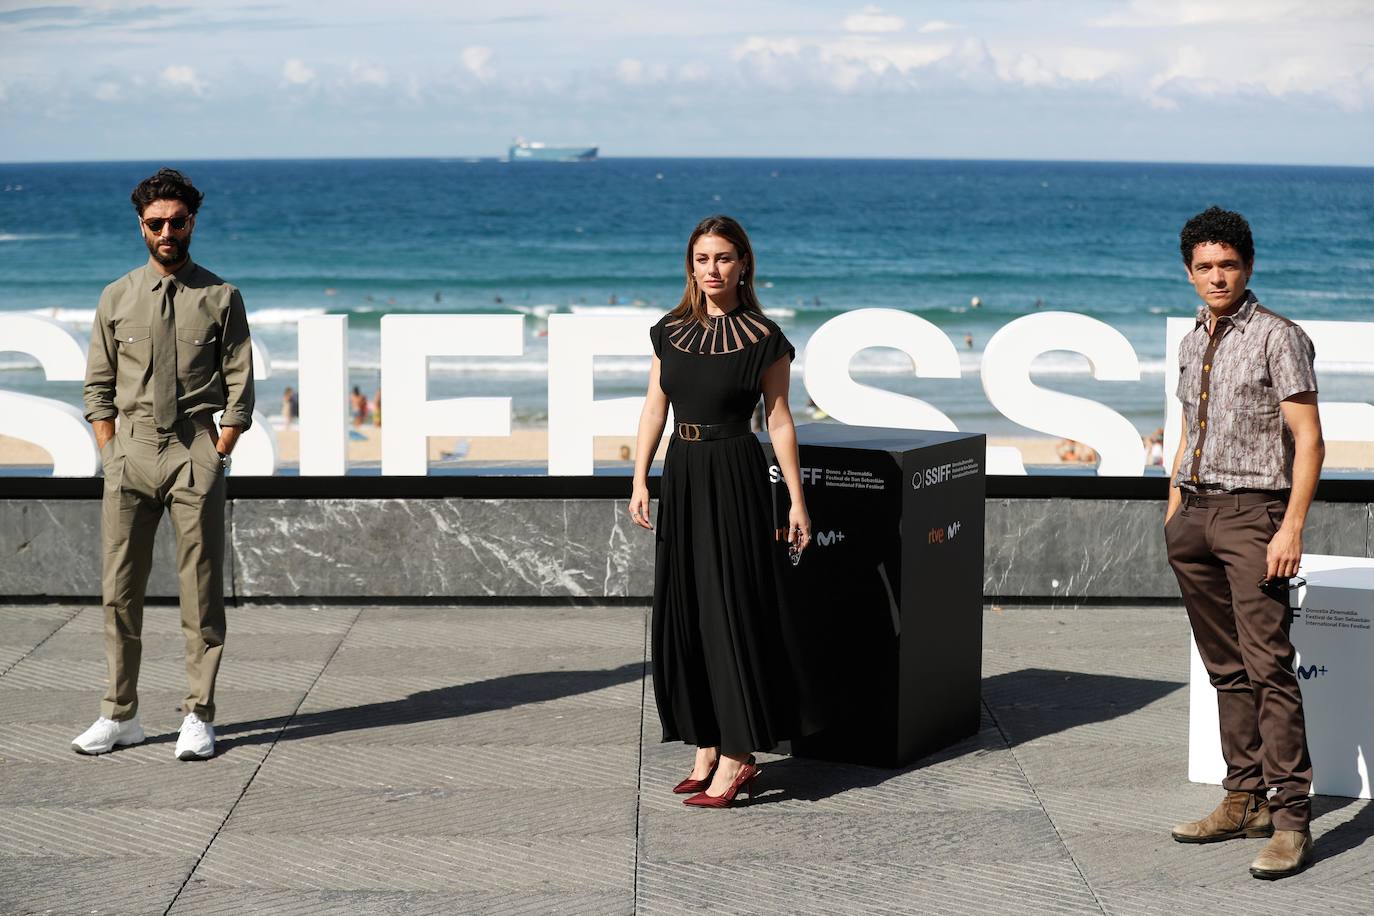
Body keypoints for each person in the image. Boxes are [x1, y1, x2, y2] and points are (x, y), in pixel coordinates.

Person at [629, 215, 824, 808]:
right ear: (689, 265)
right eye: (701, 259)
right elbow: (653, 410)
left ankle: (740, 756)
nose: (711, 269)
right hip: (682, 473)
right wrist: (639, 478)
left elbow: (781, 420)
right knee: (685, 609)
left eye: (722, 258)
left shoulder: (765, 338)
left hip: (734, 473)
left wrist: (796, 499)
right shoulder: (669, 330)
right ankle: (705, 745)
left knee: (730, 609)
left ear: (744, 265)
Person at [1165, 207, 1324, 880]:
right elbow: (1186, 430)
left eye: (1228, 264)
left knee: (1269, 669)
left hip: (1254, 516)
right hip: (1193, 516)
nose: (1217, 276)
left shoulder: (1279, 337)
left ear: (1248, 266)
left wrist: (1290, 525)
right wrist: (1173, 510)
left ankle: (1290, 820)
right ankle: (1243, 798)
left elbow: (1310, 439)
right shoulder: (1191, 342)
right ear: (1189, 272)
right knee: (1225, 668)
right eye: (1204, 267)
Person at [75, 168, 255, 761]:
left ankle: (198, 715)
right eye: (156, 223)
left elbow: (239, 384)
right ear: (141, 226)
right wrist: (110, 451)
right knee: (118, 592)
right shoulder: (116, 296)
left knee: (199, 593)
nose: (167, 232)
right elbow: (98, 385)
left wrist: (217, 453)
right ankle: (118, 714)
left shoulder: (221, 296)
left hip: (192, 454)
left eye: (178, 222)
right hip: (130, 454)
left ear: (193, 223)